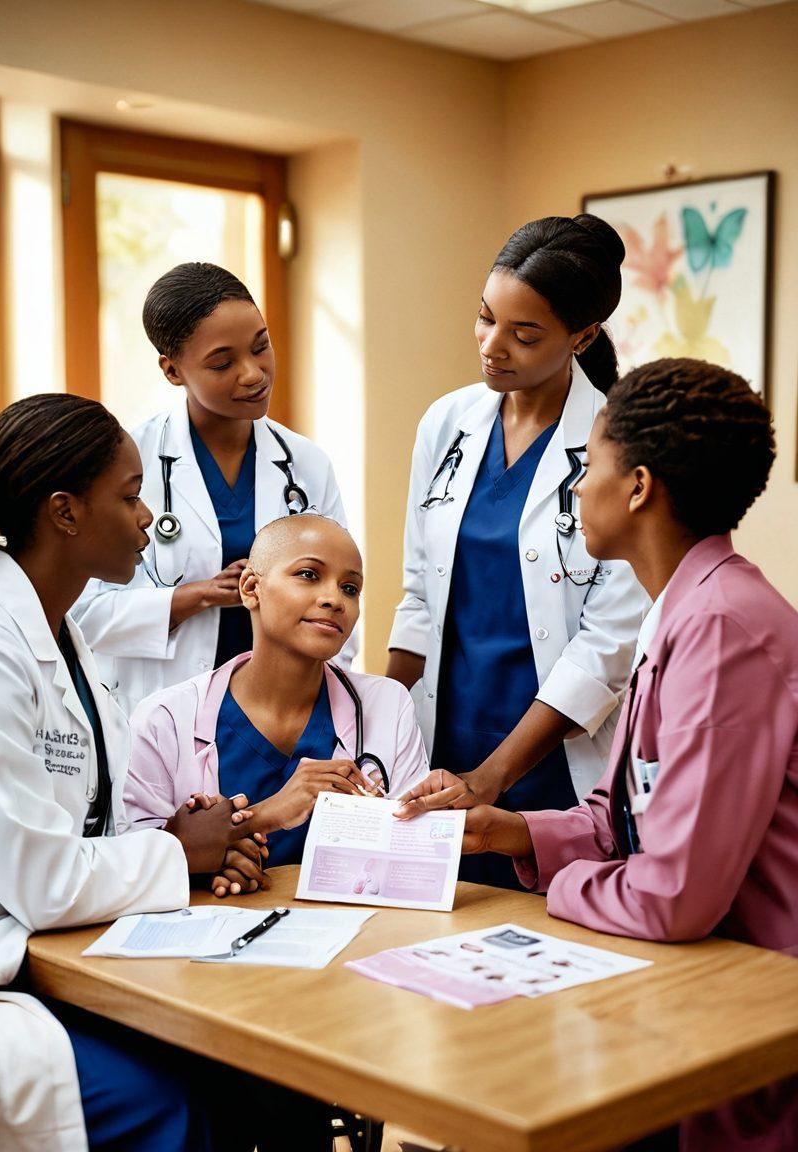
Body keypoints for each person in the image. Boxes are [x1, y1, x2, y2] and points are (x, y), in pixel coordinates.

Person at [400, 358, 797, 1152]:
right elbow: (638, 820)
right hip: (692, 981)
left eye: (590, 465)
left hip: (748, 1010)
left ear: (640, 486)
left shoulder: (723, 628)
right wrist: (509, 832)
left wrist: (554, 892)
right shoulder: (683, 610)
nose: (577, 488)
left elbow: (674, 892)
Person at [0, 393, 268, 1151]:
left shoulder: (63, 637)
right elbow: (41, 880)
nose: (147, 518)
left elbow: (79, 825)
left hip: (49, 953)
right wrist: (178, 852)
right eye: (129, 496)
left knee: (247, 1073)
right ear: (65, 513)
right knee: (164, 1106)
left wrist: (184, 837)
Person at [386, 215, 647, 887]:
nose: (492, 347)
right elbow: (420, 588)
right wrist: (373, 721)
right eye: (485, 319)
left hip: (554, 757)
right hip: (441, 744)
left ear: (583, 337)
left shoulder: (617, 446)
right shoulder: (447, 422)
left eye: (524, 333)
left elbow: (606, 645)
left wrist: (491, 777)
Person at [74, 263, 356, 717]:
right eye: (223, 363)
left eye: (261, 347)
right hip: (160, 714)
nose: (253, 374)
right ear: (172, 371)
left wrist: (326, 710)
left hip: (282, 714)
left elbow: (339, 595)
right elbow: (82, 616)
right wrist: (198, 596)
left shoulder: (304, 465)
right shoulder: (127, 462)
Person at [127, 513, 430, 882]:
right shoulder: (165, 718)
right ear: (251, 588)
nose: (335, 599)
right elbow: (134, 866)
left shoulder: (387, 704)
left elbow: (414, 860)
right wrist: (252, 827)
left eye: (350, 588)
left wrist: (224, 842)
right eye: (308, 575)